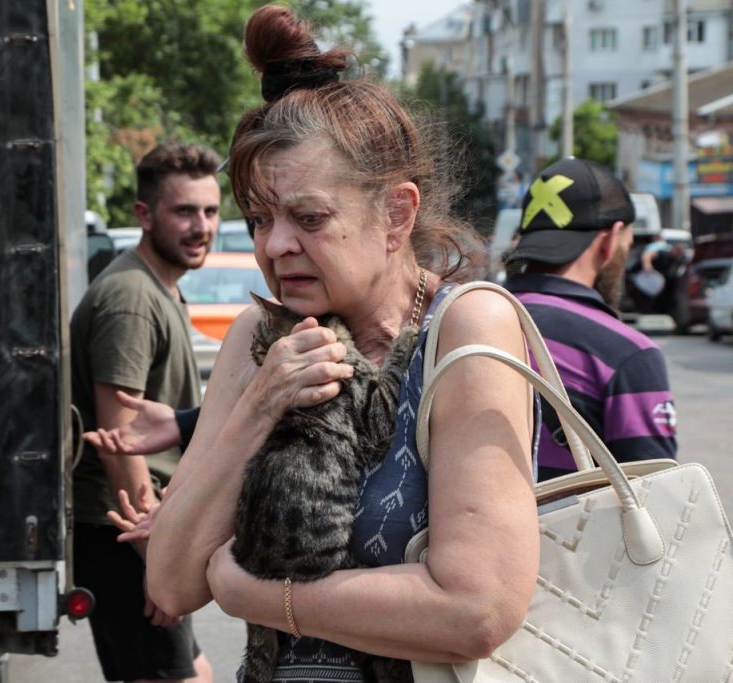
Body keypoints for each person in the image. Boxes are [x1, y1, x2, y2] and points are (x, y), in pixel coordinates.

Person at [92, 6, 542, 681]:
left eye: (309, 218)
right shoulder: (260, 333)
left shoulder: (465, 327)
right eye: (260, 219)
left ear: (396, 213)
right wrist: (258, 403)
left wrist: (262, 598)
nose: (274, 247)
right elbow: (171, 582)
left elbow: (476, 607)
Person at [70, 142, 221, 683]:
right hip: (122, 531)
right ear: (143, 214)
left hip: (145, 528)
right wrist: (158, 561)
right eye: (184, 211)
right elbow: (120, 439)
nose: (200, 226)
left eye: (209, 210)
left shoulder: (160, 288)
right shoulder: (131, 299)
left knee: (193, 672)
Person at [504, 157, 677, 481]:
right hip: (565, 532)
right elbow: (653, 495)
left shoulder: (455, 322)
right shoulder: (626, 353)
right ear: (611, 239)